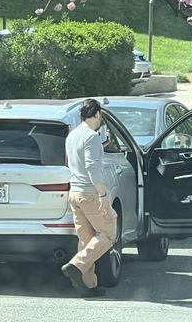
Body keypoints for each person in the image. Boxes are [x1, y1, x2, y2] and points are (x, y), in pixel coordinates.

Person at [61, 99, 117, 297]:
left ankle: (88, 285)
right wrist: (102, 193)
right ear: (97, 114)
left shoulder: (72, 135)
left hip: (74, 193)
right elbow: (92, 167)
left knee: (86, 240)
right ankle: (76, 265)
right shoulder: (91, 137)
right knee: (108, 232)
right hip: (89, 193)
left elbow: (71, 162)